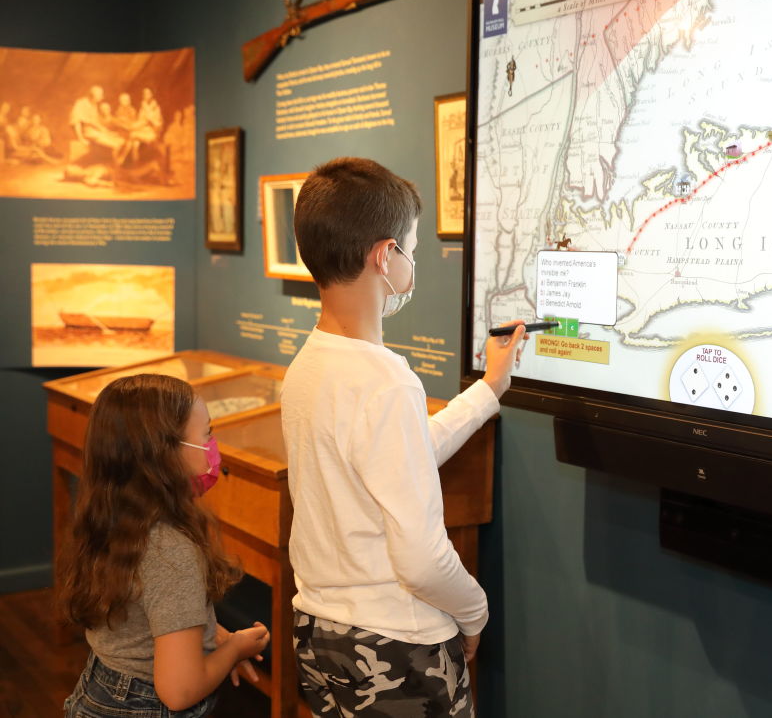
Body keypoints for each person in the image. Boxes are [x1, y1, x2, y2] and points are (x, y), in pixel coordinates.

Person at [282, 157, 527, 716]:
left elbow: (402, 452)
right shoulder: (386, 381)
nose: (411, 266)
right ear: (383, 256)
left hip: (319, 635)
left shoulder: (309, 365)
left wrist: (489, 388)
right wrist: (475, 610)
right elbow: (419, 559)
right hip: (397, 648)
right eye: (410, 252)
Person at [59, 373, 272, 717]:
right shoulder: (171, 550)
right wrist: (233, 649)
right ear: (164, 451)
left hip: (103, 688)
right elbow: (179, 691)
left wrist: (210, 635)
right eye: (206, 434)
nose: (212, 445)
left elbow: (146, 614)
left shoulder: (118, 516)